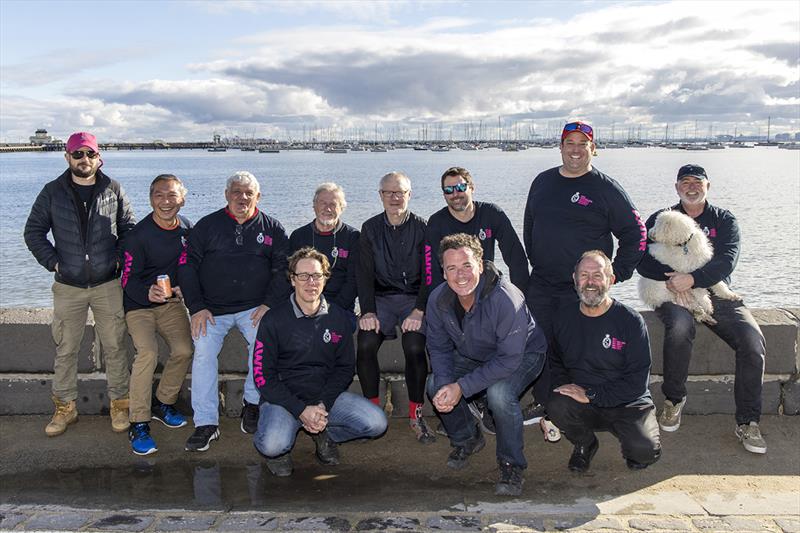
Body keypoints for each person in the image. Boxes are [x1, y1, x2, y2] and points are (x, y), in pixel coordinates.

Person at [522, 121, 646, 435]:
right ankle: (546, 403)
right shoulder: (542, 181)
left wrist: (617, 272)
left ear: (593, 149)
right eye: (569, 143)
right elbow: (529, 226)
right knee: (539, 344)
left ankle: (575, 410)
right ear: (561, 147)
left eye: (583, 144)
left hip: (581, 289)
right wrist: (537, 259)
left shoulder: (605, 188)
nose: (575, 150)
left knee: (574, 350)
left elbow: (636, 234)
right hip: (543, 283)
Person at [637, 164, 767, 454]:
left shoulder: (724, 220)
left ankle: (748, 422)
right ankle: (674, 400)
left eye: (698, 182)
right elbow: (642, 259)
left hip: (717, 292)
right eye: (686, 182)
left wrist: (693, 279)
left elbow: (726, 261)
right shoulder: (661, 219)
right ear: (677, 187)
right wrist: (673, 282)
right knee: (681, 327)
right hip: (673, 292)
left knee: (752, 341)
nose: (692, 187)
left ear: (708, 186)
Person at [24, 131, 135, 437]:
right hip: (68, 286)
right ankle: (64, 409)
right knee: (66, 348)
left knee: (115, 346)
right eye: (77, 154)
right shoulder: (52, 192)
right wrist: (55, 263)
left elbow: (129, 231)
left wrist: (116, 261)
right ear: (67, 158)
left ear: (98, 157)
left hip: (108, 284)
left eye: (89, 154)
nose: (84, 160)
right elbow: (33, 232)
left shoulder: (113, 189)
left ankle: (120, 405)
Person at [426, 234, 546, 496]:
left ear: (480, 264)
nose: (460, 275)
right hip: (475, 354)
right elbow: (438, 347)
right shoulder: (438, 300)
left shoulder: (506, 298)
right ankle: (468, 438)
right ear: (443, 272)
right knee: (435, 384)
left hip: (523, 354)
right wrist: (449, 385)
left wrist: (462, 387)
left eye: (467, 265)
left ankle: (511, 465)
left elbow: (508, 361)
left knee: (499, 394)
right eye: (452, 268)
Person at [252, 247, 388, 476]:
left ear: (325, 279)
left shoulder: (338, 318)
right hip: (284, 401)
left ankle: (324, 434)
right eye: (303, 276)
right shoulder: (273, 320)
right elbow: (262, 377)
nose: (310, 282)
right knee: (272, 444)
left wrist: (323, 404)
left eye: (316, 275)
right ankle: (282, 450)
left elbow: (345, 369)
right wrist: (300, 409)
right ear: (292, 280)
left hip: (325, 398)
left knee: (376, 423)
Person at [179, 171, 289, 451]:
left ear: (258, 197)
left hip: (255, 308)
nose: (243, 197)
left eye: (248, 193)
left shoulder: (273, 228)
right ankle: (206, 423)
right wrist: (197, 307)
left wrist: (269, 304)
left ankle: (252, 403)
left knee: (263, 343)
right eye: (237, 192)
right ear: (227, 194)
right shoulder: (207, 226)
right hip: (211, 310)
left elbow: (282, 271)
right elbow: (187, 267)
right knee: (203, 351)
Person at [548, 250, 661, 473]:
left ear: (610, 280)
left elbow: (637, 382)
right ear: (574, 279)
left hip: (627, 402)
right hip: (583, 400)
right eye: (584, 275)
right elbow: (555, 362)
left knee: (643, 453)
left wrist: (591, 394)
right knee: (557, 404)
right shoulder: (563, 317)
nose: (590, 282)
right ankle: (585, 443)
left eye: (598, 275)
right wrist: (564, 390)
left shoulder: (630, 321)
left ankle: (632, 436)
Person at [357, 171, 435, 444]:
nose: (394, 197)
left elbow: (430, 273)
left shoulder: (424, 228)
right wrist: (367, 310)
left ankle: (416, 414)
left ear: (409, 195)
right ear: (380, 196)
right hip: (381, 300)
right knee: (365, 344)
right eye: (388, 192)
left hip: (414, 299)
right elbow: (363, 274)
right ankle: (371, 411)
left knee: (414, 347)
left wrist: (420, 310)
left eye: (399, 192)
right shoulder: (369, 229)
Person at [120, 174, 193, 455]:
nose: (166, 202)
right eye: (159, 195)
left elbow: (193, 265)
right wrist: (146, 292)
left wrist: (185, 288)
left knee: (184, 350)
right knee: (148, 353)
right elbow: (127, 278)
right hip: (139, 306)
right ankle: (138, 421)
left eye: (172, 195)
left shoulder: (188, 229)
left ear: (182, 200)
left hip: (171, 304)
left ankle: (163, 402)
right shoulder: (138, 236)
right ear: (151, 199)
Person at [288, 182, 359, 319]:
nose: (327, 208)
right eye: (322, 203)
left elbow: (354, 280)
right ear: (314, 206)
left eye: (333, 204)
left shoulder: (353, 237)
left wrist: (333, 309)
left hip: (340, 306)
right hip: (304, 304)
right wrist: (307, 306)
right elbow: (291, 276)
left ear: (341, 208)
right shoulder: (299, 236)